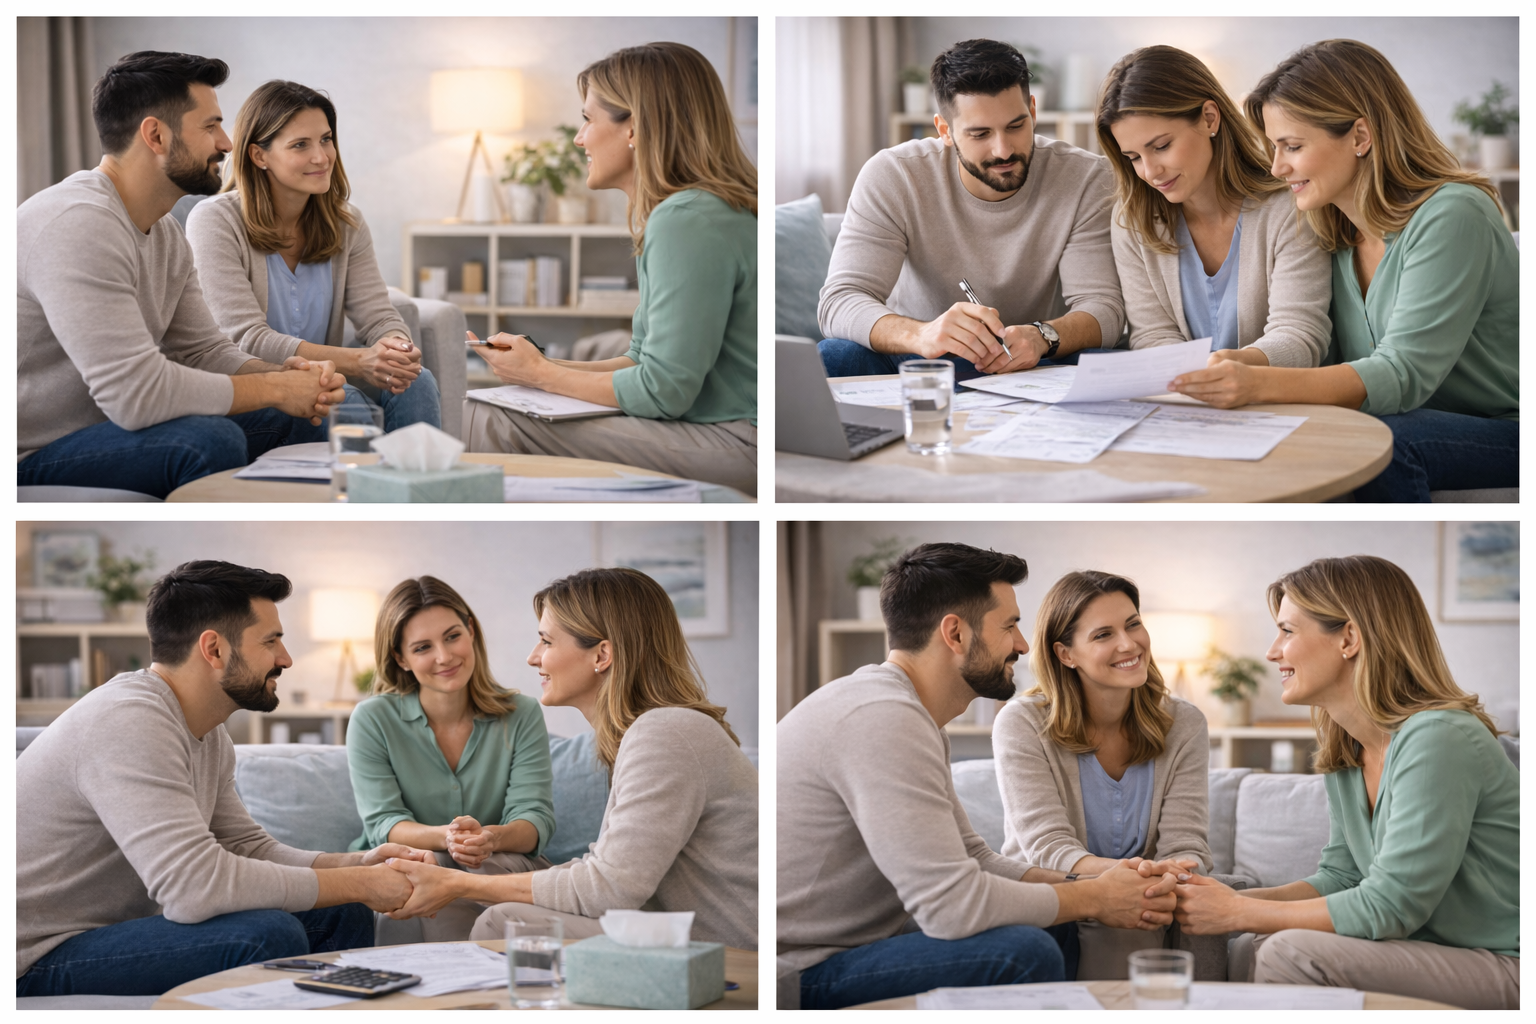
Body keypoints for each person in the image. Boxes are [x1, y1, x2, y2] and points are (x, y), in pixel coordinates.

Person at [778, 543, 1183, 1009]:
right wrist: (1095, 898)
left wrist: (1083, 888)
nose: (1022, 644)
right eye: (1009, 625)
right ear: (955, 633)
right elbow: (952, 907)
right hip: (800, 970)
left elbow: (974, 857)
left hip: (853, 946)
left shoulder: (905, 712)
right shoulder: (882, 717)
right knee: (1021, 953)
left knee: (1055, 916)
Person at [16, 561, 434, 997]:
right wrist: (363, 884)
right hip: (31, 954)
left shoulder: (206, 729)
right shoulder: (127, 720)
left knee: (343, 908)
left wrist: (356, 866)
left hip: (100, 933)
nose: (285, 659)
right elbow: (193, 888)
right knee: (266, 934)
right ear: (213, 650)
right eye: (271, 641)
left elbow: (246, 847)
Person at [1167, 40, 1518, 501]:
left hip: (1502, 428)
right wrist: (1247, 363)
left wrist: (1259, 383)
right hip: (1397, 417)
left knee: (1386, 441)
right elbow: (1318, 351)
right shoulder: (1327, 223)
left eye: (1292, 146)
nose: (1277, 167)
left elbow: (1401, 375)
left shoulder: (1453, 214)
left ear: (1359, 136)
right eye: (1274, 147)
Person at [1172, 556, 1519, 1009]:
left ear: (1349, 638)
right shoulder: (1347, 748)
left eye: (1288, 631)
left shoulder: (1440, 737)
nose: (1272, 651)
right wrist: (1214, 900)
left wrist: (1238, 911)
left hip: (1505, 960)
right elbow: (1344, 876)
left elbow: (1392, 906)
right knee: (1246, 945)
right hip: (1430, 951)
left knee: (1288, 952)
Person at [18, 51, 348, 499]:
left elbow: (202, 349)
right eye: (210, 126)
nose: (227, 143)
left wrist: (289, 379)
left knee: (306, 411)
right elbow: (137, 395)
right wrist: (273, 386)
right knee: (210, 439)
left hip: (106, 430)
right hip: (31, 451)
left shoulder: (164, 231)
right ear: (155, 135)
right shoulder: (77, 222)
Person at [379, 568, 758, 951]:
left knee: (504, 919)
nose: (532, 657)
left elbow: (608, 888)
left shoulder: (664, 735)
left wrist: (462, 885)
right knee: (488, 877)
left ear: (602, 654)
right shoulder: (650, 733)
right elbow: (608, 874)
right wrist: (465, 876)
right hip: (675, 929)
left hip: (731, 950)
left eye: (546, 641)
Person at [462, 43, 757, 496]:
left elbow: (663, 390)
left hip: (740, 440)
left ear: (633, 127)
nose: (579, 138)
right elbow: (643, 359)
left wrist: (540, 376)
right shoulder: (699, 209)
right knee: (499, 403)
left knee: (489, 414)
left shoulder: (686, 219)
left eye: (587, 119)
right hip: (734, 429)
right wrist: (537, 364)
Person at [817, 38, 1125, 382]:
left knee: (1107, 360)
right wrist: (922, 335)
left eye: (1016, 126)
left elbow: (1105, 310)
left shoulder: (1085, 177)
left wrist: (1042, 336)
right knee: (835, 355)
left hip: (1035, 360)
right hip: (921, 359)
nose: (1004, 149)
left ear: (1033, 112)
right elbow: (840, 302)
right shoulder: (894, 174)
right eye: (980, 134)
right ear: (945, 131)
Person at [187, 80, 441, 433]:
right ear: (259, 155)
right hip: (253, 393)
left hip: (322, 385)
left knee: (417, 380)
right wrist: (358, 361)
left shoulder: (346, 222)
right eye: (300, 145)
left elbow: (379, 315)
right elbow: (245, 338)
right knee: (346, 402)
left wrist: (396, 350)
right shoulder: (215, 219)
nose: (321, 157)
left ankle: (420, 486)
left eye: (325, 139)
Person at [994, 571, 1211, 979]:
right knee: (1125, 922)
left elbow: (1187, 843)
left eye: (1133, 624)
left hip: (1143, 900)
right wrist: (1125, 884)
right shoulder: (1022, 723)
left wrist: (1161, 879)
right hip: (1052, 898)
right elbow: (1048, 847)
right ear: (1065, 654)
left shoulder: (1185, 723)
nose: (1129, 644)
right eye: (1103, 635)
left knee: (1137, 920)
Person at [346, 576, 555, 941]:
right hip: (405, 865)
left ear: (471, 631)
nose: (444, 656)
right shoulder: (372, 719)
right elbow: (384, 823)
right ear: (401, 658)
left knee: (471, 872)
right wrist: (450, 839)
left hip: (496, 863)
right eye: (423, 647)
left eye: (452, 636)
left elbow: (533, 819)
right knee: (419, 873)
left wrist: (489, 838)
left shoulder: (522, 713)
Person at [1098, 46, 1330, 368]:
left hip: (1276, 399)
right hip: (1184, 400)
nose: (1150, 172)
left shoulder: (1291, 206)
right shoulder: (1133, 220)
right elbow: (1152, 335)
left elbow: (1299, 337)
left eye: (1162, 146)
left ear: (1210, 117)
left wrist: (1228, 372)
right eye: (1133, 157)